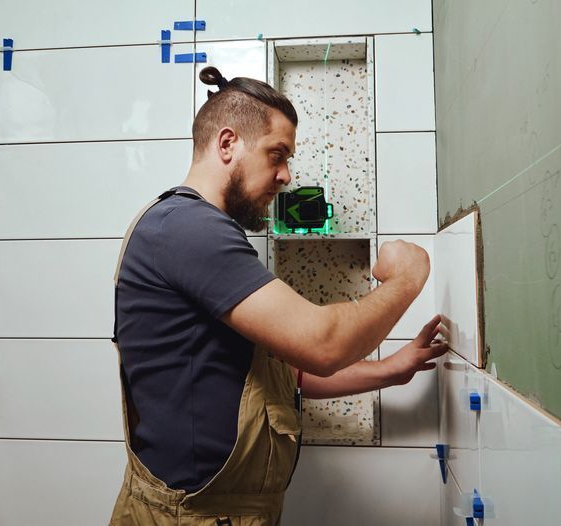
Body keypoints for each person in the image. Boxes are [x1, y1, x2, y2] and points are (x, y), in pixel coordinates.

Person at [109, 66, 447, 526]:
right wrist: (406, 279)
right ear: (227, 144)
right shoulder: (188, 230)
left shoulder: (197, 232)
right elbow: (322, 344)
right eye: (277, 155)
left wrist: (391, 369)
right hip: (189, 518)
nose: (286, 175)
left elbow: (279, 375)